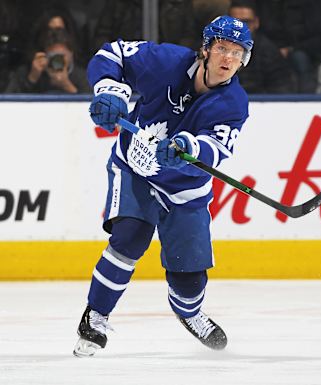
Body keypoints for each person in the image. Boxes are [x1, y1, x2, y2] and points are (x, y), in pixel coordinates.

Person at [73, 15, 254, 357]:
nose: (228, 59)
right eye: (222, 48)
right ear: (205, 49)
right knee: (128, 238)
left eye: (237, 52)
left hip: (185, 190)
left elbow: (216, 147)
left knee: (189, 280)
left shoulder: (233, 103)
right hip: (134, 169)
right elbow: (112, 55)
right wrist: (110, 90)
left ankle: (190, 312)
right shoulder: (167, 61)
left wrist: (188, 148)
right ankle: (95, 316)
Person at [257, 0, 321, 93]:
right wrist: (278, 47)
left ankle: (306, 100)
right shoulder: (271, 4)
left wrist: (291, 49)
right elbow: (268, 28)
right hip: (274, 46)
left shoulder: (315, 4)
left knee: (300, 59)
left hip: (306, 50)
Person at [229, 0, 296, 93]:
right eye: (235, 23)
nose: (241, 28)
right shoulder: (214, 50)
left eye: (246, 22)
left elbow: (281, 92)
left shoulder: (269, 52)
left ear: (256, 22)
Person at [5, 28, 90, 94]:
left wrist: (67, 85)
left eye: (61, 56)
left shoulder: (84, 77)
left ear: (71, 54)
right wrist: (31, 79)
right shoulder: (26, 72)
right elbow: (7, 104)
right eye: (53, 56)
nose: (57, 61)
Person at [91, 0, 197, 52]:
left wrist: (175, 58)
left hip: (168, 63)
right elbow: (102, 36)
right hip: (127, 63)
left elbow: (190, 36)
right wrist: (116, 59)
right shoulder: (118, 4)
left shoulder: (179, 3)